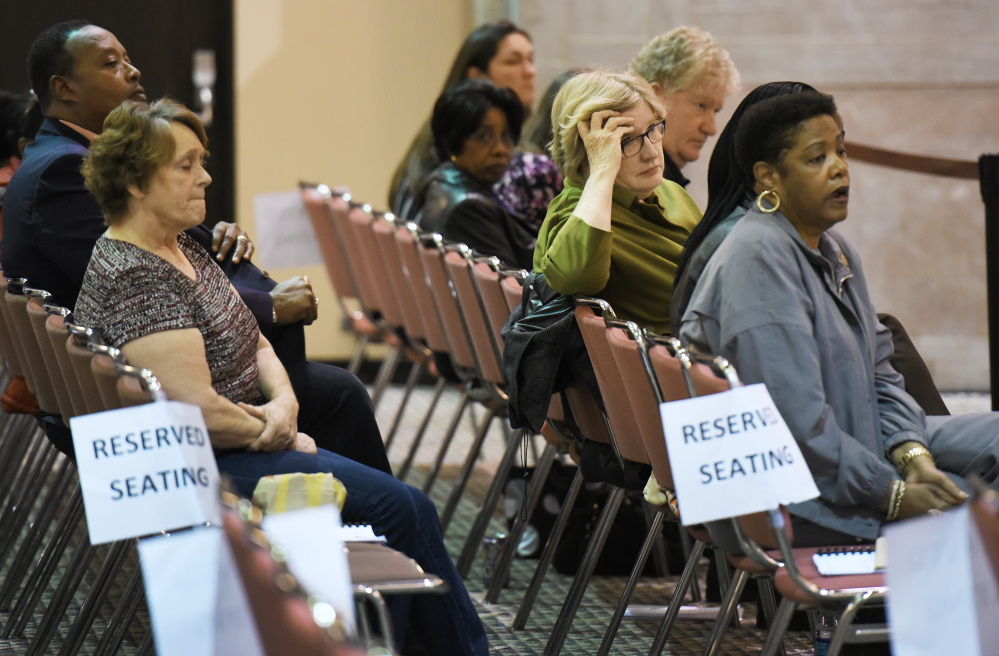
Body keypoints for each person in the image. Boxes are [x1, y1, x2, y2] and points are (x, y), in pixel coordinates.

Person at [73, 99, 488, 656]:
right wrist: (277, 432)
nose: (205, 177)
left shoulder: (179, 247)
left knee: (403, 506)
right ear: (135, 182)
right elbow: (193, 409)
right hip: (199, 467)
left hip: (240, 439)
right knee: (404, 508)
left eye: (203, 161)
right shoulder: (136, 275)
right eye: (186, 165)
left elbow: (257, 340)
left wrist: (285, 402)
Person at [3, 21, 386, 471]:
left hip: (170, 362)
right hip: (149, 392)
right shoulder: (63, 170)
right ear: (63, 87)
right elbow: (140, 279)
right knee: (342, 396)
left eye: (128, 59)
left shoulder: (70, 156)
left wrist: (209, 234)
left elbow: (164, 251)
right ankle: (361, 528)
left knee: (331, 392)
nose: (133, 71)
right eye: (111, 64)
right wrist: (268, 307)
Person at [678, 91, 999, 546]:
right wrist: (892, 494)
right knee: (986, 508)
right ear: (768, 178)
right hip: (802, 498)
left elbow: (881, 376)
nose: (839, 167)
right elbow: (798, 431)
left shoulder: (833, 248)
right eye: (816, 158)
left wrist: (913, 454)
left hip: (854, 447)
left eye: (841, 150)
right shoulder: (758, 263)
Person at [534, 70, 702, 334]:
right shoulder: (575, 209)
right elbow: (577, 278)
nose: (650, 153)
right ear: (588, 149)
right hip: (676, 360)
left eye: (653, 129)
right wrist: (601, 171)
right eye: (625, 140)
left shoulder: (670, 191)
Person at [670, 82, 817, 329]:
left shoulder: (823, 242)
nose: (837, 168)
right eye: (815, 153)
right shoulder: (749, 245)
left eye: (840, 149)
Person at [390, 20, 562, 229]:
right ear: (477, 77)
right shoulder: (520, 167)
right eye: (513, 61)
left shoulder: (430, 145)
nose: (530, 72)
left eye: (530, 60)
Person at [418, 78, 535, 269]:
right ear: (452, 143)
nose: (500, 149)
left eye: (506, 136)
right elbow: (514, 289)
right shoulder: (469, 209)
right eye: (484, 136)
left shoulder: (443, 183)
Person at [629, 26, 740, 188]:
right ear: (654, 97)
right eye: (701, 105)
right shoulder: (636, 188)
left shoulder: (663, 184)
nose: (711, 128)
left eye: (715, 111)